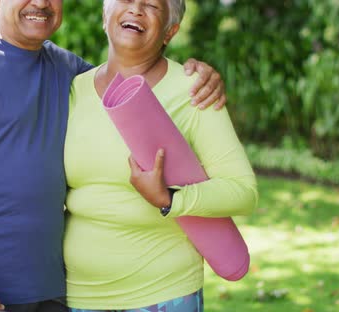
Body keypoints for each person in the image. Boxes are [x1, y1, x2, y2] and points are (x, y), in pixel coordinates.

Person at [0, 0, 226, 311]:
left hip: (54, 290)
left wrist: (197, 76)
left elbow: (137, 80)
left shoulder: (69, 70)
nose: (41, 3)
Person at [63, 0, 258, 311]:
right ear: (105, 15)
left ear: (170, 31)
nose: (136, 9)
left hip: (162, 294)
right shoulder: (73, 90)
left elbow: (243, 192)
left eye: (152, 5)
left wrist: (170, 199)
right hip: (79, 298)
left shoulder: (194, 90)